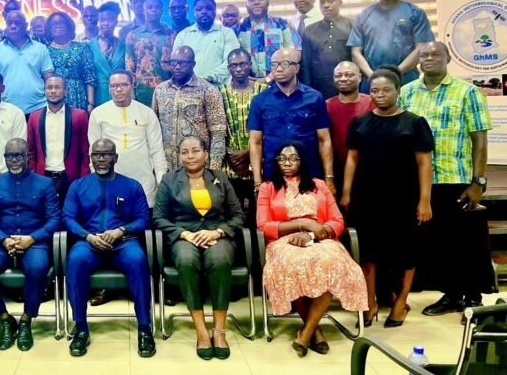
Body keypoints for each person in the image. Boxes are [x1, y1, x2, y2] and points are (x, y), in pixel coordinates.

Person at [400, 42, 492, 320]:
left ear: (448, 57)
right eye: (424, 55)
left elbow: (480, 140)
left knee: (462, 240)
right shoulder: (407, 93)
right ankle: (454, 293)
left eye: (435, 54)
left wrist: (478, 181)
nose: (429, 59)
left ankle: (466, 295)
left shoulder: (468, 92)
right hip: (422, 181)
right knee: (437, 241)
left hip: (456, 177)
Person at [257, 141, 368, 357]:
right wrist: (303, 224)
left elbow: (337, 220)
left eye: (293, 158)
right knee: (295, 263)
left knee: (330, 262)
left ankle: (307, 330)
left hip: (320, 239)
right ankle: (314, 331)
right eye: (282, 159)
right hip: (284, 242)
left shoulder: (319, 185)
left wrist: (312, 233)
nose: (287, 163)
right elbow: (264, 226)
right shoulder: (268, 187)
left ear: (303, 160)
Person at [342, 67, 434, 328]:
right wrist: (347, 191)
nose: (380, 95)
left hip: (404, 198)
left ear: (397, 91)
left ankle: (400, 302)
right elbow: (352, 158)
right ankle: (369, 302)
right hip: (367, 197)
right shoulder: (361, 122)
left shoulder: (415, 123)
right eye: (374, 91)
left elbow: (424, 163)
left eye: (386, 90)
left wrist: (424, 200)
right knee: (368, 253)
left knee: (405, 252)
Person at [153, 136, 245, 360]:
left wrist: (218, 232)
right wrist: (184, 234)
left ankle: (220, 331)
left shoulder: (220, 178)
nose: (190, 156)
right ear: (178, 155)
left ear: (205, 153)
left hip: (217, 235)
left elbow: (238, 215)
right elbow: (158, 217)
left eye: (195, 151)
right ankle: (202, 331)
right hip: (185, 236)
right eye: (185, 152)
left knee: (220, 260)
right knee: (185, 261)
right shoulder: (168, 180)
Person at [64, 139, 155, 358]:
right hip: (89, 243)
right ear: (91, 157)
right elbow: (67, 218)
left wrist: (121, 231)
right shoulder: (78, 185)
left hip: (123, 243)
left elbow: (144, 219)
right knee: (75, 261)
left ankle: (144, 328)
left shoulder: (132, 185)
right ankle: (81, 329)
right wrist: (88, 236)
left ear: (115, 158)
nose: (101, 159)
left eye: (106, 155)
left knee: (138, 260)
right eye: (97, 155)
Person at [0, 139, 60, 351]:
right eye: (10, 156)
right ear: (4, 158)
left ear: (28, 156)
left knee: (37, 268)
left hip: (34, 241)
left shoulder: (45, 183)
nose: (14, 160)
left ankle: (26, 321)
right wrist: (3, 239)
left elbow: (55, 219)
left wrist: (32, 238)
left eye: (19, 155)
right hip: (1, 241)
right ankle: (4, 319)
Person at [248, 48, 335, 193]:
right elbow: (255, 143)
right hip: (273, 172)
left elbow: (324, 140)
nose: (278, 69)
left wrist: (329, 177)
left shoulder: (315, 98)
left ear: (297, 67)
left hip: (309, 172)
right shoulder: (260, 101)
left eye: (285, 64)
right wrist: (257, 182)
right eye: (274, 65)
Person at [89, 70, 168, 208]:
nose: (118, 89)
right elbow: (93, 152)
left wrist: (161, 180)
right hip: (110, 179)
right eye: (114, 86)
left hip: (143, 179)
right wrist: (96, 180)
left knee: (143, 222)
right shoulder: (98, 114)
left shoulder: (147, 113)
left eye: (123, 85)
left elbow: (157, 150)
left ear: (132, 85)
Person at [350, 0, 434, 91]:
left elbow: (421, 48)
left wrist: (396, 73)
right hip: (372, 82)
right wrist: (373, 76)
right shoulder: (363, 16)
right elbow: (355, 52)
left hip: (405, 81)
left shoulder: (415, 13)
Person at [152, 46, 227, 172]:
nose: (176, 66)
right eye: (173, 63)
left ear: (193, 64)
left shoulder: (208, 90)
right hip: (167, 168)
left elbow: (218, 133)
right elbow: (154, 129)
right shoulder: (160, 90)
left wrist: (214, 171)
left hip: (198, 168)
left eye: (182, 63)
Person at [27, 74, 90, 204]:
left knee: (70, 217)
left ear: (65, 91)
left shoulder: (79, 116)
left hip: (71, 177)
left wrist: (83, 179)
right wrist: (33, 176)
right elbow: (31, 152)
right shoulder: (34, 117)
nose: (53, 91)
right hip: (43, 177)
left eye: (57, 87)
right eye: (49, 87)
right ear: (44, 91)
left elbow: (85, 152)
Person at [220, 49, 267, 208]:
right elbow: (216, 128)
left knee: (258, 210)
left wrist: (248, 153)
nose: (238, 69)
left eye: (242, 64)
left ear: (250, 65)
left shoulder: (264, 92)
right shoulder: (220, 93)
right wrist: (232, 155)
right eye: (233, 65)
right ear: (228, 68)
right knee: (234, 211)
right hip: (229, 164)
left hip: (260, 162)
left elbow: (270, 127)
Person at [0, 10, 55, 116]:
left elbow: (49, 79)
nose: (13, 26)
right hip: (5, 110)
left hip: (38, 108)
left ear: (26, 25)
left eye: (17, 23)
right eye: (10, 23)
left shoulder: (40, 48)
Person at [325, 61, 374, 199]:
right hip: (337, 170)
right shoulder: (326, 106)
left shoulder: (373, 103)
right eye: (338, 75)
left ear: (360, 77)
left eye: (349, 75)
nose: (343, 78)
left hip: (368, 169)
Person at [173, 0, 239, 86]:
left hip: (219, 90)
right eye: (199, 9)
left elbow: (231, 62)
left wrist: (210, 78)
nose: (204, 12)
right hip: (189, 90)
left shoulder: (227, 33)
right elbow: (176, 63)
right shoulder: (183, 35)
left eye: (208, 8)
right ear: (194, 12)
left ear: (215, 12)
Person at [235, 0, 298, 80]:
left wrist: (269, 78)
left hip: (279, 82)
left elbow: (295, 53)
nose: (256, 2)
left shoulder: (283, 25)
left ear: (268, 2)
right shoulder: (236, 29)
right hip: (247, 85)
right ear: (246, 4)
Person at [300, 0, 353, 98]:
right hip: (319, 90)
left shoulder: (352, 26)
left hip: (348, 88)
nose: (326, 5)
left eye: (330, 1)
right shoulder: (310, 30)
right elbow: (305, 65)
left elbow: (357, 58)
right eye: (322, 2)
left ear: (340, 2)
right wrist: (308, 93)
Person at [125, 0, 174, 106]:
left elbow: (174, 64)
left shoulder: (171, 35)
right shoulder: (133, 35)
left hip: (166, 88)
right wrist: (131, 91)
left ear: (162, 11)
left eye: (157, 7)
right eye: (149, 7)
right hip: (141, 90)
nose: (153, 10)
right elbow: (130, 65)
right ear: (143, 10)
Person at [46, 11, 96, 112]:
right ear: (49, 29)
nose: (58, 26)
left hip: (78, 95)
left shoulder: (82, 47)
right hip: (54, 97)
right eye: (54, 24)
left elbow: (89, 77)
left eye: (62, 23)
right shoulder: (44, 50)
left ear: (69, 26)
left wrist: (91, 103)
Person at [88, 2, 127, 106]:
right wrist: (90, 103)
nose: (105, 23)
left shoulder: (124, 47)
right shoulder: (89, 46)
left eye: (110, 20)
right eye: (102, 20)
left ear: (116, 22)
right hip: (97, 96)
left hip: (120, 95)